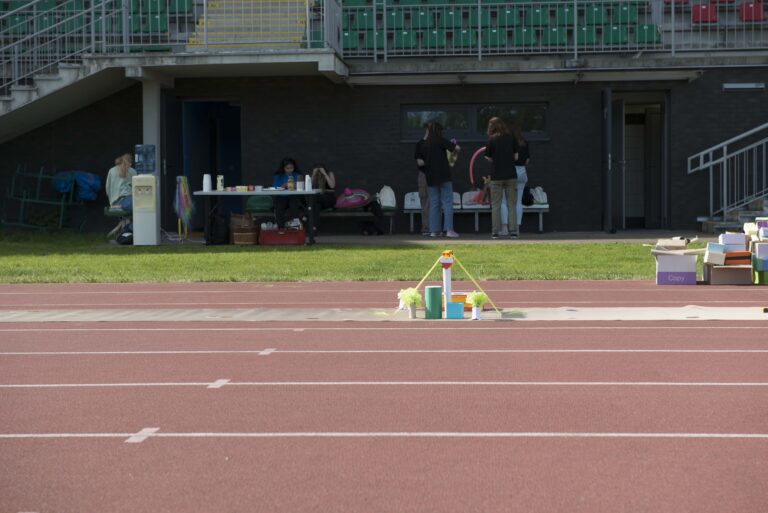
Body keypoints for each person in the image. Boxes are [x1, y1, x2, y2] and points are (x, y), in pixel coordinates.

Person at [414, 122, 460, 238]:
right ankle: (449, 230)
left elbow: (420, 162)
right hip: (444, 175)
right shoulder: (440, 140)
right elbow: (456, 148)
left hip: (430, 176)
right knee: (447, 202)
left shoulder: (424, 145)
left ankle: (434, 231)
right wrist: (454, 148)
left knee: (434, 203)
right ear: (439, 131)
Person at [484, 117, 518, 239]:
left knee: (496, 205)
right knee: (511, 204)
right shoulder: (511, 138)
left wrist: (495, 159)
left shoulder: (491, 140)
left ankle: (495, 232)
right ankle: (513, 232)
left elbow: (487, 157)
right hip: (511, 175)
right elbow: (516, 157)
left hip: (496, 175)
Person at [511, 123, 530, 234]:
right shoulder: (524, 142)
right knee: (518, 202)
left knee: (508, 202)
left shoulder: (510, 142)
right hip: (522, 171)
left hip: (511, 172)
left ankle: (508, 227)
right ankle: (517, 228)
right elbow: (527, 160)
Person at [272, 157, 303, 228]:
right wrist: (283, 186)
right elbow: (274, 187)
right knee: (279, 207)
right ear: (283, 168)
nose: (289, 170)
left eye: (291, 168)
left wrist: (296, 185)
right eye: (287, 168)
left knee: (294, 204)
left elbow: (301, 186)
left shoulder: (297, 175)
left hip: (293, 196)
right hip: (282, 197)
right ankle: (281, 227)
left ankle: (295, 224)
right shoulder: (278, 175)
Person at [414, 124, 431, 235]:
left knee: (434, 202)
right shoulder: (420, 144)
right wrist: (433, 161)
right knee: (425, 202)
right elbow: (419, 162)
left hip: (435, 175)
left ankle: (434, 228)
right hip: (424, 175)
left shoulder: (435, 144)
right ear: (427, 130)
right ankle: (426, 228)